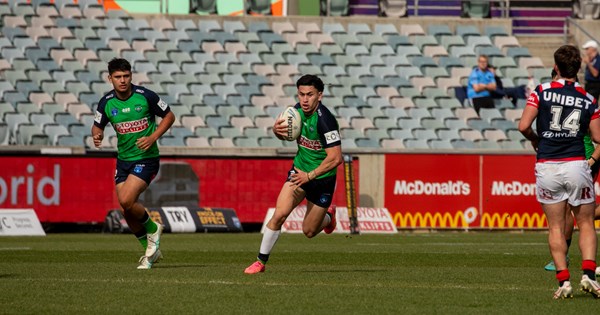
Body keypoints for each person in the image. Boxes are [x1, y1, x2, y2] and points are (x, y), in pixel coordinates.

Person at [519, 45, 600, 299]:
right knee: (586, 222)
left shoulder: (541, 91)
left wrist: (535, 139)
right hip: (576, 163)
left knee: (555, 226)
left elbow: (523, 126)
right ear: (577, 69)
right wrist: (592, 160)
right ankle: (588, 274)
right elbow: (599, 138)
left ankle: (564, 281)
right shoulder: (589, 99)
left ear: (556, 67)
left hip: (547, 165)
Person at [244, 74, 343, 274]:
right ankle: (260, 262)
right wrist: (276, 131)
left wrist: (310, 175)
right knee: (279, 214)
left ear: (320, 96)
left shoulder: (326, 121)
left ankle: (329, 217)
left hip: (322, 179)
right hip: (298, 173)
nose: (305, 100)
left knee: (308, 231)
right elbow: (288, 134)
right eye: (301, 94)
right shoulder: (295, 112)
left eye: (310, 95)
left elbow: (335, 158)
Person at [91, 58, 175, 269]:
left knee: (127, 200)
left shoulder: (145, 96)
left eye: (126, 76)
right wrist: (97, 134)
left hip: (146, 159)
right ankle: (151, 251)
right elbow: (96, 125)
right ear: (109, 78)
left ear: (131, 76)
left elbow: (169, 116)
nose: (123, 81)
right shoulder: (106, 102)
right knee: (127, 210)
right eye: (118, 77)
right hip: (123, 161)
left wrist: (153, 137)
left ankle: (153, 229)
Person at [543, 69, 600, 274]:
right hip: (574, 159)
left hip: (583, 158)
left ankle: (564, 254)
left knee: (571, 210)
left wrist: (591, 160)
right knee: (573, 210)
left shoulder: (579, 100)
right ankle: (565, 253)